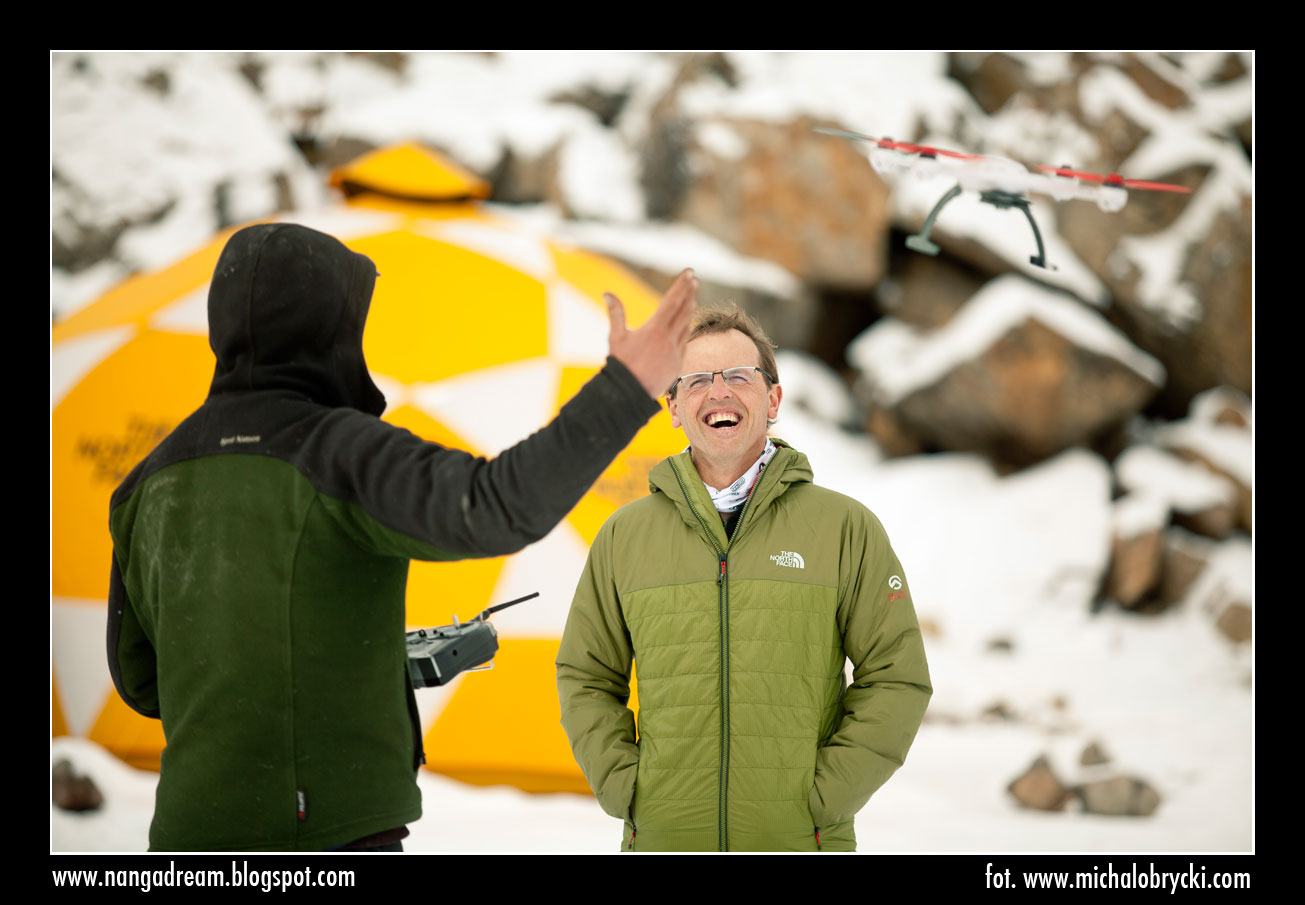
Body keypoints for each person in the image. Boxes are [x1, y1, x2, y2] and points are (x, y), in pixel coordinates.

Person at [107, 222, 697, 852]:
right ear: (330, 328)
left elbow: (143, 680)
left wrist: (329, 660)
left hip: (185, 838)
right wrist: (627, 387)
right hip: (330, 835)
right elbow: (496, 506)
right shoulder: (338, 451)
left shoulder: (148, 480)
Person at [556, 305, 931, 852]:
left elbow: (897, 677)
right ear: (674, 407)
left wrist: (825, 798)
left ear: (773, 399)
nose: (719, 393)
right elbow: (586, 675)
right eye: (698, 380)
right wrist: (627, 788)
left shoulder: (844, 528)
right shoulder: (624, 537)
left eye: (738, 376)